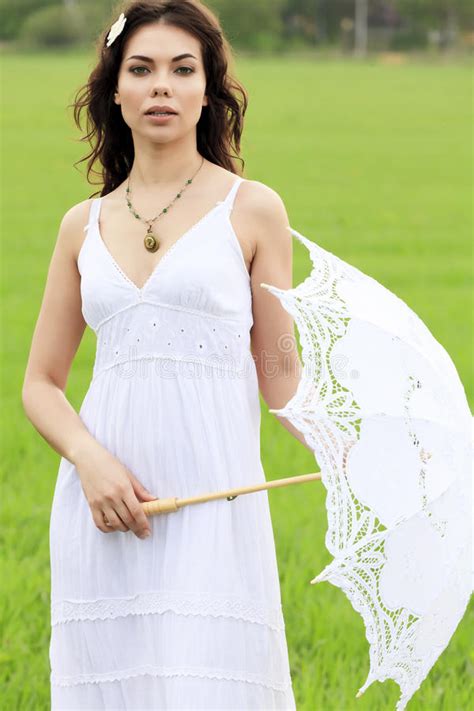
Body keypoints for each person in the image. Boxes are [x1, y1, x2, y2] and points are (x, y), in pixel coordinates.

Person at [22, 1, 310, 708]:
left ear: (207, 90)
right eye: (141, 69)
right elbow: (40, 383)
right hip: (106, 512)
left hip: (213, 506)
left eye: (183, 70)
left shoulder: (253, 210)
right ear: (114, 91)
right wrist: (91, 464)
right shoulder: (79, 226)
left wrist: (375, 444)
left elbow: (282, 378)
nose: (162, 86)